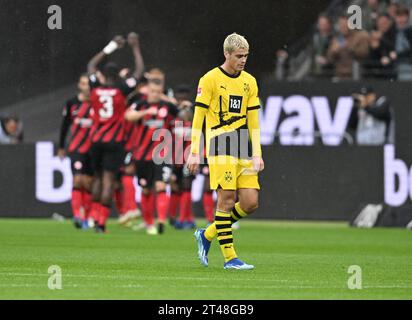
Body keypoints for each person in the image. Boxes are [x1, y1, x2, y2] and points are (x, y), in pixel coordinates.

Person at [187, 33, 264, 270]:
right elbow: (198, 116)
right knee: (227, 200)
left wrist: (258, 152)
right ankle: (230, 258)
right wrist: (194, 150)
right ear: (226, 54)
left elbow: (253, 121)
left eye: (246, 56)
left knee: (250, 202)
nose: (243, 60)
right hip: (220, 143)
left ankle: (207, 233)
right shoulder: (209, 79)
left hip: (243, 144)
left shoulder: (249, 81)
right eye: (238, 56)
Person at [87, 36, 138, 233]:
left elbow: (91, 64)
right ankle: (100, 222)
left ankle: (92, 217)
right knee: (109, 180)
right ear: (117, 75)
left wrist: (111, 47)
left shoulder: (95, 88)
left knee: (98, 179)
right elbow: (139, 71)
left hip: (96, 140)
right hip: (114, 141)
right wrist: (135, 47)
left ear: (102, 75)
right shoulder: (121, 90)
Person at [125, 80, 178, 235]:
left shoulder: (167, 106)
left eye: (158, 91)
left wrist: (169, 99)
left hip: (162, 154)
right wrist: (145, 113)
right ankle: (149, 223)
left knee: (161, 186)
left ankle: (161, 220)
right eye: (152, 91)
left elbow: (180, 112)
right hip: (142, 154)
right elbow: (128, 116)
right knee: (146, 189)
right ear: (147, 90)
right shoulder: (140, 104)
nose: (155, 94)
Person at [58, 74, 94, 229]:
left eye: (88, 84)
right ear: (79, 85)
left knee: (88, 183)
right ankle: (77, 216)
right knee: (77, 180)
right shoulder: (71, 103)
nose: (86, 87)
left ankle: (87, 216)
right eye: (83, 83)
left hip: (92, 150)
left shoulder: (97, 104)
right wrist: (61, 147)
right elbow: (65, 126)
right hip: (76, 148)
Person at [327, 15, 370, 80]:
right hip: (340, 75)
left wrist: (350, 48)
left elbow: (364, 53)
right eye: (341, 24)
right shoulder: (337, 39)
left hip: (357, 74)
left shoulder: (361, 36)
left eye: (345, 24)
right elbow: (329, 57)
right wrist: (334, 52)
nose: (343, 27)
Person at [388, 7, 412, 80]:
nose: (400, 19)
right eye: (398, 16)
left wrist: (398, 54)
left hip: (408, 63)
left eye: (403, 16)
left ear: (407, 17)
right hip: (394, 64)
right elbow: (386, 46)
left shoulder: (410, 31)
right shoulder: (391, 31)